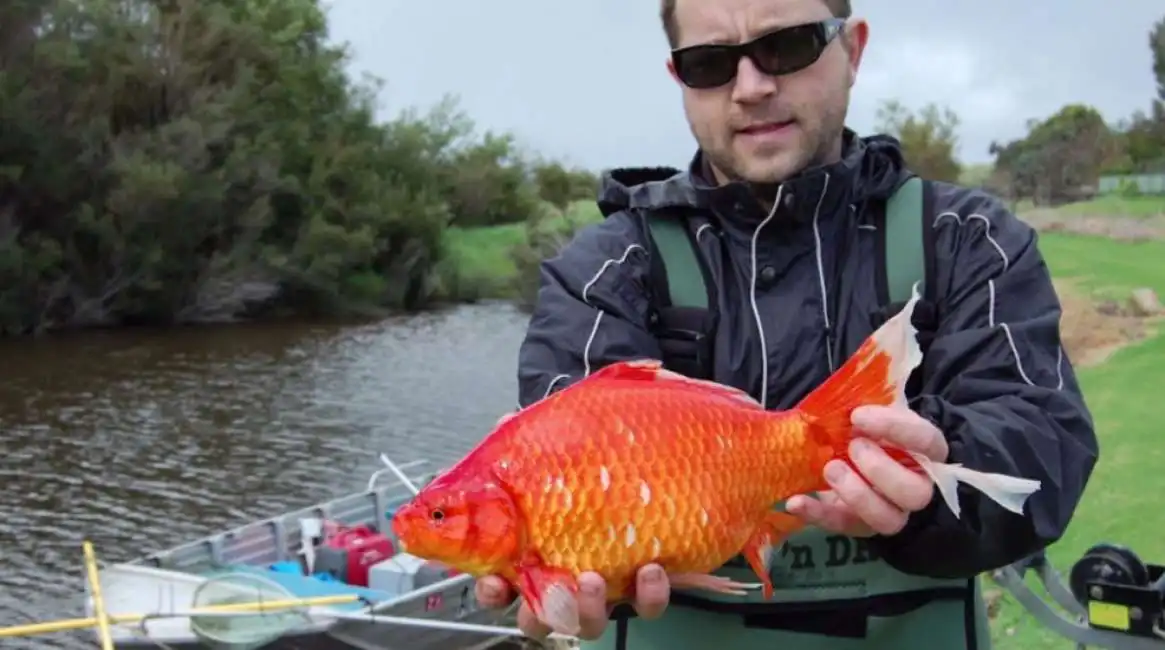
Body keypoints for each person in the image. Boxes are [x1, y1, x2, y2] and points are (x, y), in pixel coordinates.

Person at [475, 0, 1100, 648]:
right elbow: (567, 452)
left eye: (787, 45)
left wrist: (938, 469)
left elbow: (1042, 450)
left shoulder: (965, 239)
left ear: (852, 50)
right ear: (677, 76)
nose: (750, 87)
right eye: (710, 62)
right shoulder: (602, 269)